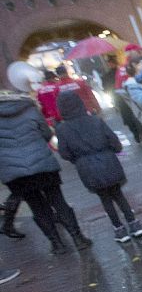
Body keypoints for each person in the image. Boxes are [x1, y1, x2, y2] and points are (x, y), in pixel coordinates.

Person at [0, 90, 91, 254]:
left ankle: (57, 244)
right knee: (58, 200)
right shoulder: (29, 108)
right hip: (42, 162)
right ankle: (78, 238)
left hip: (13, 171)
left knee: (36, 206)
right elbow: (46, 134)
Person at [55, 90, 142, 243]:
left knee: (105, 198)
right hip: (109, 161)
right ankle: (134, 224)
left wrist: (78, 159)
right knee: (118, 194)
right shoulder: (95, 120)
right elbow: (115, 142)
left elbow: (64, 153)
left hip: (87, 167)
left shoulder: (62, 129)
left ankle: (119, 229)